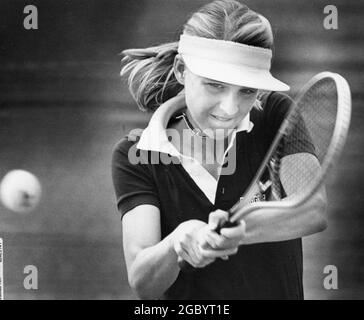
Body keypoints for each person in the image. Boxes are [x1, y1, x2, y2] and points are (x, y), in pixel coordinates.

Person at [112, 0, 327, 300]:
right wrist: (177, 241)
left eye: (247, 91)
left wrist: (241, 229)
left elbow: (312, 209)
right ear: (180, 71)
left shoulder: (277, 113)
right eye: (215, 85)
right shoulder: (135, 154)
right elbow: (143, 282)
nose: (229, 109)